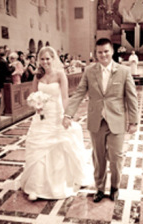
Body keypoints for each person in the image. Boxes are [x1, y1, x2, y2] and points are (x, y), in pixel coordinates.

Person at [64, 38, 139, 203]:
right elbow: (79, 93)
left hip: (117, 119)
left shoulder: (124, 71)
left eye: (106, 51)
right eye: (100, 52)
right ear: (96, 53)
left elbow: (132, 97)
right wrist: (68, 114)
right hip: (96, 120)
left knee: (116, 156)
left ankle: (114, 187)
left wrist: (133, 121)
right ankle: (99, 188)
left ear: (112, 51)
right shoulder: (89, 71)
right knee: (98, 156)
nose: (103, 55)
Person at [15, 47, 88, 200]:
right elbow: (33, 94)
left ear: (53, 59)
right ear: (38, 60)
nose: (45, 62)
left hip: (57, 114)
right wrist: (37, 106)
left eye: (48, 58)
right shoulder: (37, 75)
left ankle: (59, 183)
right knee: (39, 149)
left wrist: (67, 115)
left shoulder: (60, 74)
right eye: (42, 59)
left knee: (59, 147)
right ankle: (36, 187)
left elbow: (65, 97)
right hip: (41, 116)